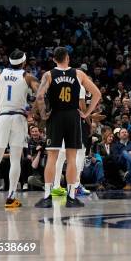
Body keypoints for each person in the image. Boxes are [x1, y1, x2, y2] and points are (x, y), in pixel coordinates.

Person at [34, 47, 101, 208]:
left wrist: (43, 114)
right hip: (72, 116)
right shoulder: (79, 74)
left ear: (54, 59)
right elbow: (97, 93)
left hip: (56, 116)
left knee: (52, 158)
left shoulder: (48, 75)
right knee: (71, 158)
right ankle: (71, 197)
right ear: (67, 58)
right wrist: (86, 114)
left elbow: (39, 96)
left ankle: (48, 196)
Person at [0, 50, 39, 208]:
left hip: (2, 118)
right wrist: (33, 111)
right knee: (16, 159)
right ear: (24, 63)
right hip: (19, 118)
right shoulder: (27, 76)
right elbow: (41, 94)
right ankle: (11, 198)